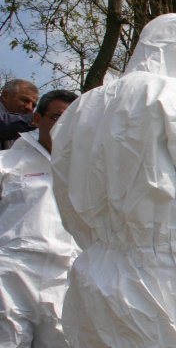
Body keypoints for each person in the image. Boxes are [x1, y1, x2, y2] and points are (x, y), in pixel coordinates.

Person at [50, 13, 176, 348]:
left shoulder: (82, 108)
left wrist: (103, 240)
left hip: (93, 273)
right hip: (166, 278)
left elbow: (65, 197)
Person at [0, 90, 79, 347]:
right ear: (36, 119)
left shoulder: (89, 171)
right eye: (57, 117)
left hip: (65, 280)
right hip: (11, 277)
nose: (64, 126)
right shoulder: (7, 164)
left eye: (73, 120)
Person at [0, 79, 38, 150]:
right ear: (5, 96)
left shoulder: (18, 134)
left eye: (33, 105)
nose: (29, 108)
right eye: (25, 100)